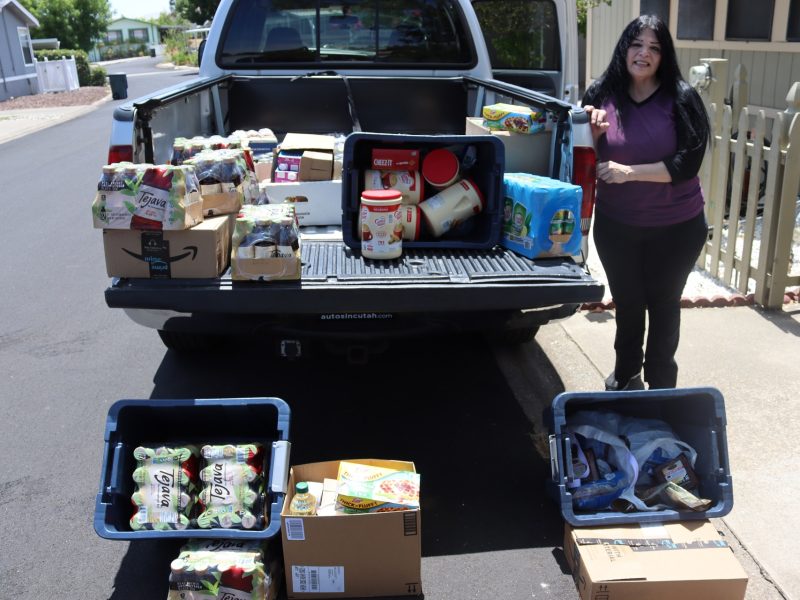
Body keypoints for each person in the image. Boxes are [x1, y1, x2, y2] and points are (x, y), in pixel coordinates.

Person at [581, 15, 710, 391]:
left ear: (664, 55)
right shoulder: (600, 93)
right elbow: (579, 158)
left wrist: (629, 172)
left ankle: (662, 384)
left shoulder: (682, 97)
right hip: (617, 224)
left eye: (654, 47)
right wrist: (590, 133)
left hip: (677, 227)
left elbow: (687, 164)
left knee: (664, 303)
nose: (644, 53)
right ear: (624, 49)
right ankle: (625, 376)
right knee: (628, 302)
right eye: (637, 44)